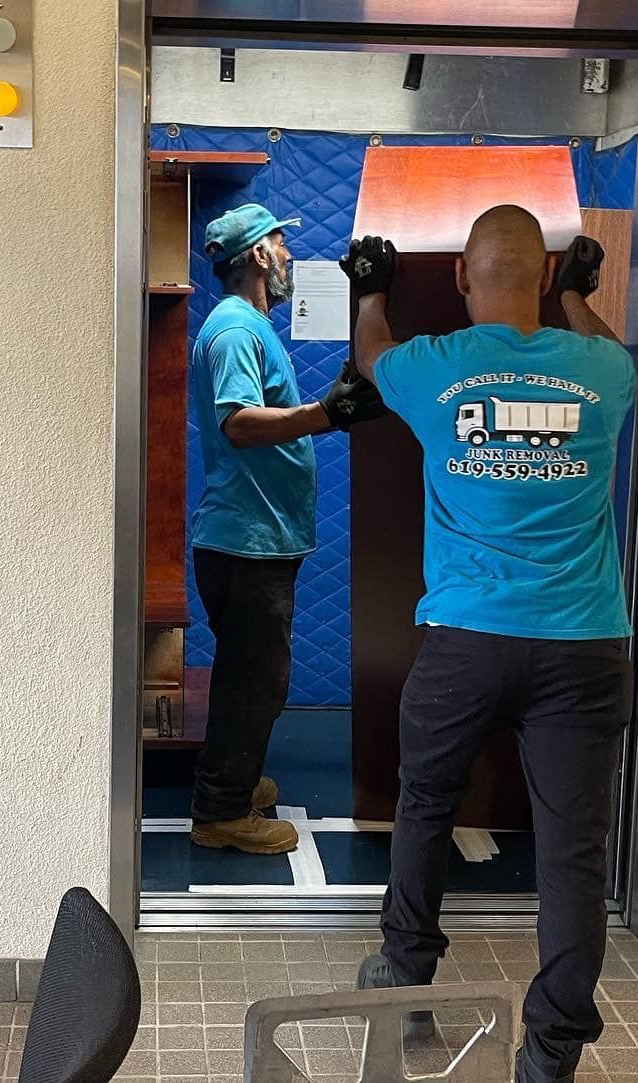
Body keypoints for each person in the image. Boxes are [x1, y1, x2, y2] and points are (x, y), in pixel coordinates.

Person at [341, 206, 636, 1083]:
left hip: (467, 638)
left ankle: (406, 975)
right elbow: (605, 343)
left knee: (426, 804)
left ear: (465, 280)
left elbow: (370, 355)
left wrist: (372, 290)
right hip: (585, 644)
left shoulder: (439, 368)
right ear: (545, 276)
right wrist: (581, 297)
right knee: (572, 852)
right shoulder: (602, 367)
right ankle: (548, 1058)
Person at [188, 203, 386, 855]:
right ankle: (221, 812)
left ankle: (233, 783)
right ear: (256, 257)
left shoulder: (249, 326)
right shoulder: (233, 330)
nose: (289, 255)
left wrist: (325, 406)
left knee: (248, 675)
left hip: (257, 538)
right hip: (246, 542)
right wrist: (323, 414)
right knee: (257, 681)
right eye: (280, 242)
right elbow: (240, 422)